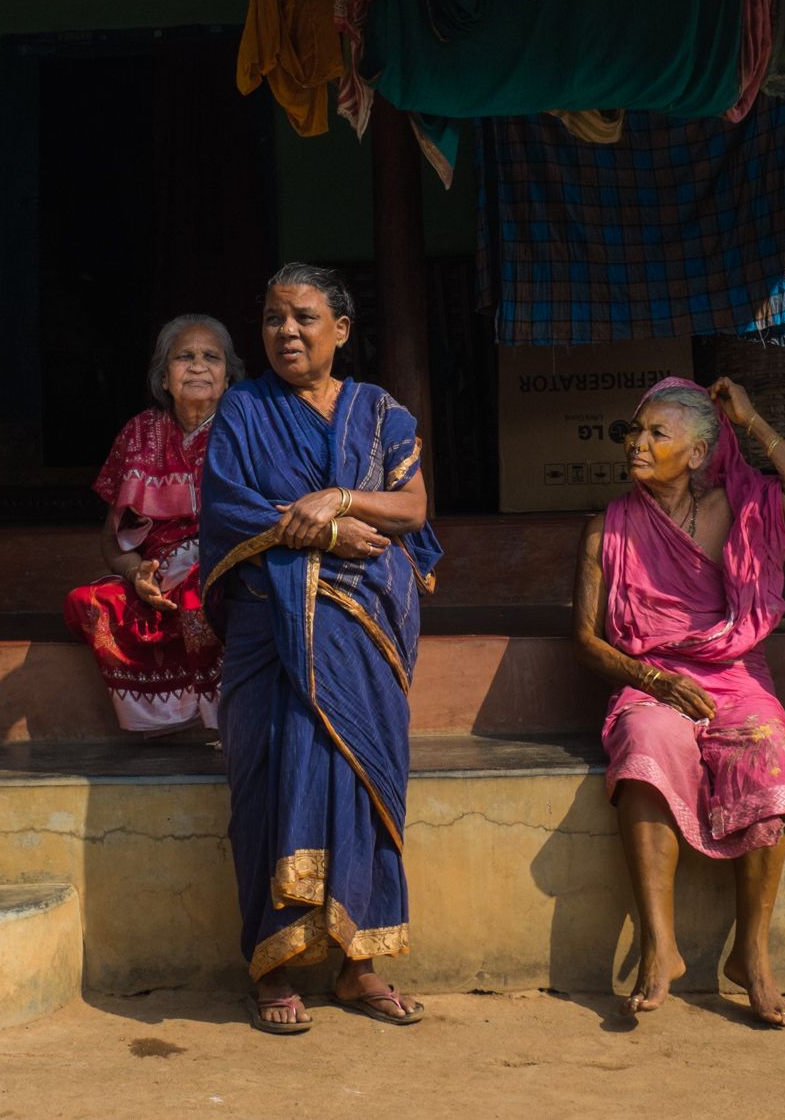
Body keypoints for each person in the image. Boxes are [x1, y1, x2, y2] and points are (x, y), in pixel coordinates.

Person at [198, 263, 442, 1035]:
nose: (287, 332)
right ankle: (273, 964)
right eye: (273, 318)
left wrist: (337, 497)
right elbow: (232, 509)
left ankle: (358, 962)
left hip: (363, 638)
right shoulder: (242, 409)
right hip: (270, 641)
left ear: (341, 328)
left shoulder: (381, 414)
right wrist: (330, 534)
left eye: (304, 317)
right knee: (272, 782)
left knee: (362, 782)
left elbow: (411, 507)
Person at [573, 377, 785, 1028]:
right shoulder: (609, 526)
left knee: (769, 755)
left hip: (735, 675)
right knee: (646, 746)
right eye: (636, 430)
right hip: (650, 675)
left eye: (658, 433)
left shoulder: (735, 508)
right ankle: (660, 948)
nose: (638, 443)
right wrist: (655, 682)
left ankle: (753, 956)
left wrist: (754, 420)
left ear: (694, 454)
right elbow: (585, 639)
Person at [64, 315, 244, 734]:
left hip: (220, 567)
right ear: (164, 378)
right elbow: (113, 539)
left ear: (228, 377)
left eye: (210, 357)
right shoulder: (138, 432)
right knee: (85, 602)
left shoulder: (245, 429)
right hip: (154, 580)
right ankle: (159, 716)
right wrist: (135, 573)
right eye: (184, 357)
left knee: (203, 598)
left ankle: (223, 715)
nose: (197, 366)